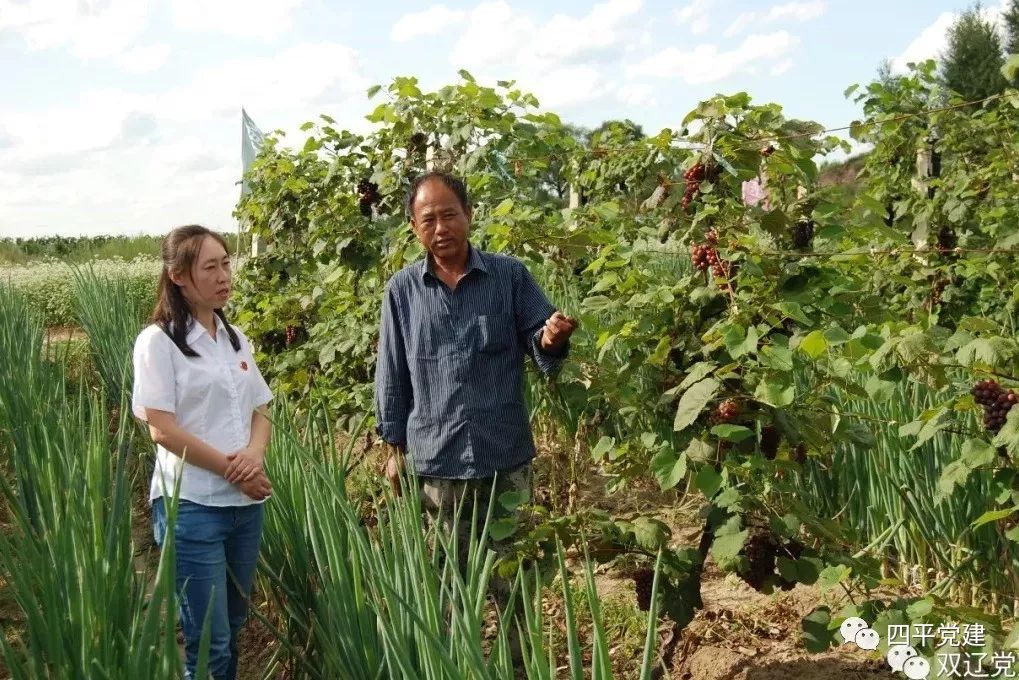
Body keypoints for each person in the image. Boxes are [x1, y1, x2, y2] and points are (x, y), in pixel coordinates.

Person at [373, 171, 578, 654]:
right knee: (447, 583)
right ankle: (456, 664)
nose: (441, 227)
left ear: (469, 215)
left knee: (515, 583)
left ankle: (520, 666)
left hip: (503, 456)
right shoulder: (402, 291)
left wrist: (551, 338)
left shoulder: (508, 275)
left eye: (450, 214)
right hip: (437, 463)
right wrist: (391, 447)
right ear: (413, 228)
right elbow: (392, 373)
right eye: (429, 219)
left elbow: (540, 337)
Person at [132, 224, 274, 680]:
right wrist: (237, 471)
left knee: (231, 626)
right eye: (209, 267)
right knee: (208, 640)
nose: (223, 275)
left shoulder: (235, 337)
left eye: (226, 263)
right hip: (190, 505)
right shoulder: (159, 342)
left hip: (244, 508)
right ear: (178, 276)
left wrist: (253, 457)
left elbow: (262, 409)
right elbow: (162, 429)